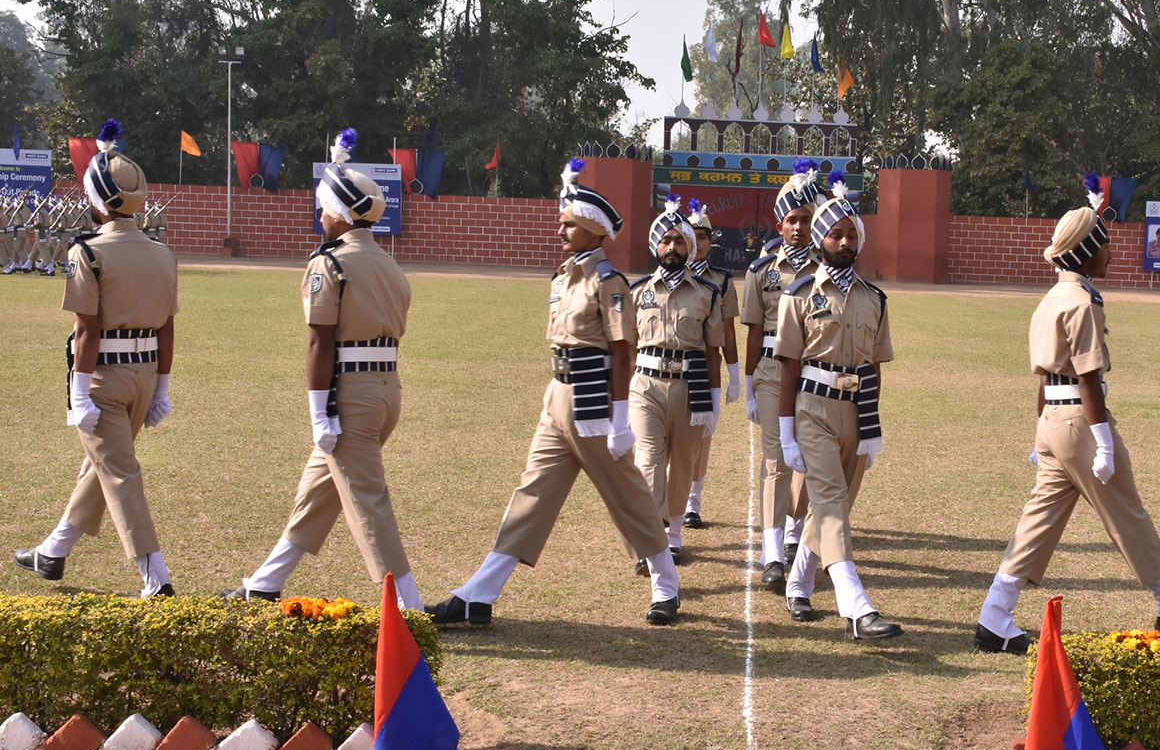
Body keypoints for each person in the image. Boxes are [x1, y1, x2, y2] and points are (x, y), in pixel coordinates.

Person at [427, 158, 684, 626]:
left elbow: (622, 353)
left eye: (569, 224)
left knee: (627, 496)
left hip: (594, 404)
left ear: (593, 229)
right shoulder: (563, 276)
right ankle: (479, 595)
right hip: (557, 397)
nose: (560, 230)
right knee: (532, 493)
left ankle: (666, 583)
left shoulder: (608, 282)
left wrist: (620, 421)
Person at [974, 174, 1160, 654]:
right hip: (1082, 424)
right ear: (1086, 251)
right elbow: (1088, 379)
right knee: (1128, 515)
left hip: (1054, 420)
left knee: (1038, 521)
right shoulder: (1084, 303)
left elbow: (1044, 377)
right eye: (1104, 244)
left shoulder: (1049, 300)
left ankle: (994, 615)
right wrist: (1104, 444)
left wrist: (1040, 432)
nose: (1111, 252)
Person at [227, 128, 423, 609]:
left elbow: (320, 341)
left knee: (367, 501)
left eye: (324, 208)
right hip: (386, 389)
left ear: (339, 212)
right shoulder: (390, 264)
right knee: (318, 490)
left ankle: (409, 606)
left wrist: (319, 413)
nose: (320, 216)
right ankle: (266, 582)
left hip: (349, 394)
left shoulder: (330, 264)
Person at [13, 119, 179, 596]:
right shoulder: (162, 254)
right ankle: (53, 551)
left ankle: (156, 577)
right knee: (102, 465)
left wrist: (79, 394)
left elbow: (86, 330)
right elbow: (167, 326)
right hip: (145, 374)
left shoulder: (87, 252)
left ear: (99, 201)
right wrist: (161, 389)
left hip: (103, 377)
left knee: (120, 472)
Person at [774, 172, 901, 640]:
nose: (844, 242)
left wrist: (872, 427)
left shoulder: (876, 300)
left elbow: (876, 367)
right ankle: (856, 607)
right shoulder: (798, 296)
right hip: (813, 409)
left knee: (834, 506)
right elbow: (789, 367)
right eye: (835, 234)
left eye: (851, 234)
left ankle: (798, 583)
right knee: (829, 500)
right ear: (820, 239)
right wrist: (787, 435)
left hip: (858, 410)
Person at [627, 196, 724, 563]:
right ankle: (652, 540)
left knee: (683, 464)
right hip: (645, 387)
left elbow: (712, 352)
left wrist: (713, 401)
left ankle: (674, 533)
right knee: (648, 461)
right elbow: (628, 349)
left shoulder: (707, 294)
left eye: (679, 241)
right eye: (665, 240)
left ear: (690, 247)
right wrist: (622, 402)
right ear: (656, 245)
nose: (672, 247)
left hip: (689, 387)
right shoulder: (638, 291)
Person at [743, 160, 821, 592]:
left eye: (805, 219)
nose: (798, 227)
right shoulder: (761, 270)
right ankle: (772, 552)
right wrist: (749, 383)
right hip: (772, 371)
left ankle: (794, 530)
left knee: (809, 455)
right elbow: (754, 330)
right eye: (792, 220)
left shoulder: (825, 268)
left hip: (811, 370)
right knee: (775, 458)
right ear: (780, 224)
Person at [680, 198, 742, 529]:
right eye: (691, 235)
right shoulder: (669, 274)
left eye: (702, 236)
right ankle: (668, 501)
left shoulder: (722, 280)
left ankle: (693, 503)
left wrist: (734, 376)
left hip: (706, 369)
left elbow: (727, 331)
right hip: (671, 367)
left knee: (702, 439)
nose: (697, 243)